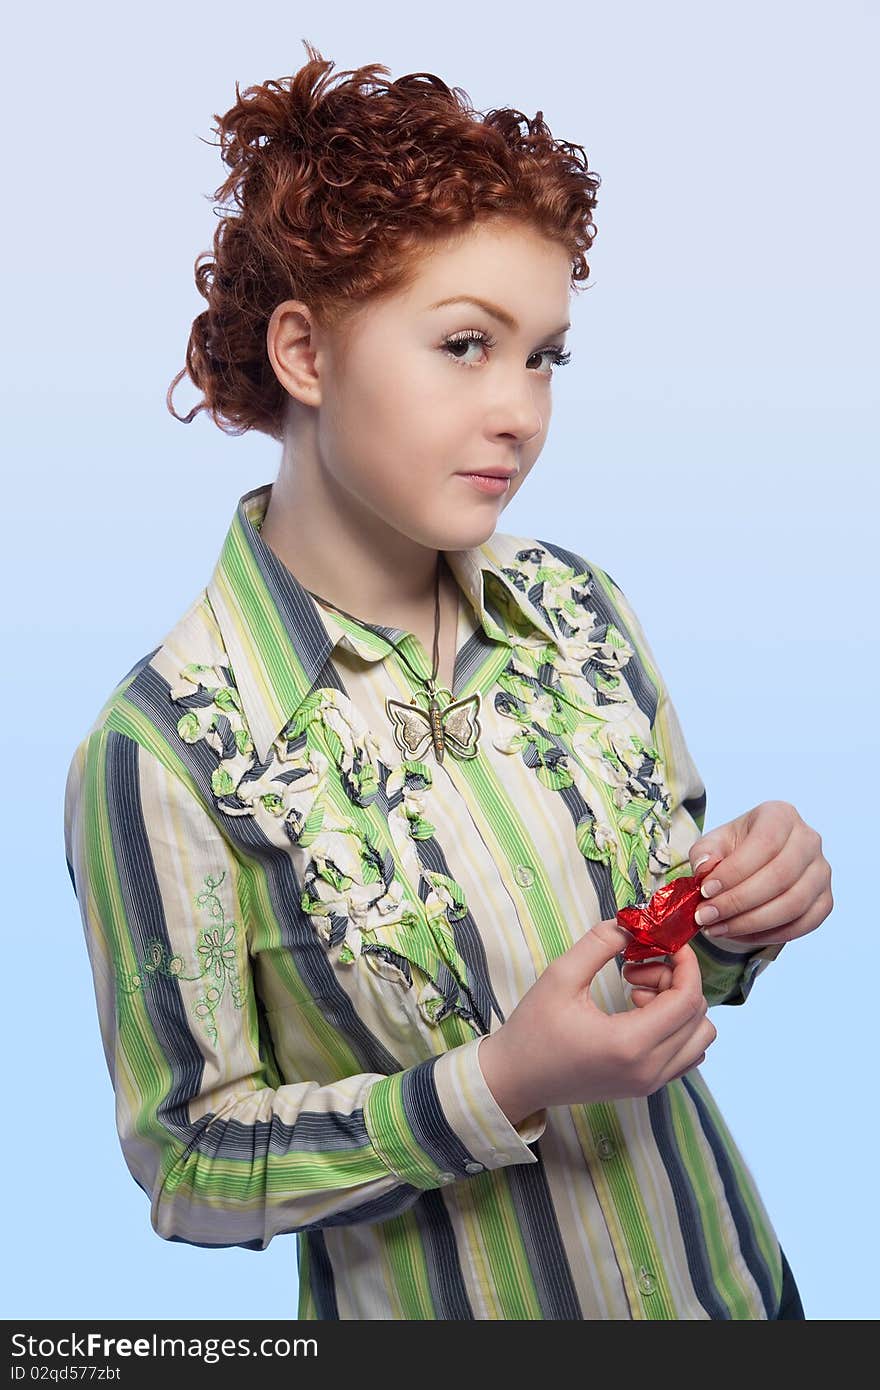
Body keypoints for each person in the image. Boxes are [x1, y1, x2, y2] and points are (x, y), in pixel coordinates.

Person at [63, 43, 832, 1320]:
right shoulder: (165, 746)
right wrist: (495, 1083)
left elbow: (669, 953)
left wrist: (742, 906)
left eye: (546, 357)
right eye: (466, 344)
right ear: (306, 354)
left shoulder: (580, 608)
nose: (520, 410)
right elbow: (189, 1166)